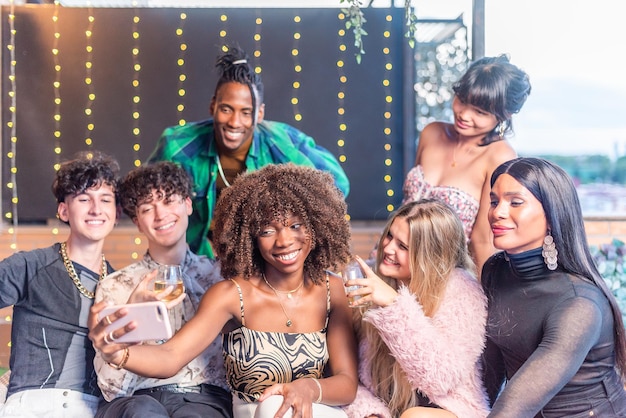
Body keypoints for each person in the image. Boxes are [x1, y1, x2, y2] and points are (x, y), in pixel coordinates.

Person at [89, 164, 358, 418]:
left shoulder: (332, 288)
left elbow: (347, 382)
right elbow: (171, 356)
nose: (284, 240)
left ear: (317, 225)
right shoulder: (231, 294)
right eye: (267, 230)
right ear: (250, 237)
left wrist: (308, 387)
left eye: (296, 225)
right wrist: (118, 353)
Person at [147, 45, 350, 259]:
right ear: (212, 106)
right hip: (193, 258)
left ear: (259, 113)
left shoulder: (282, 143)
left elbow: (337, 186)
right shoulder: (178, 145)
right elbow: (143, 195)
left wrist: (290, 222)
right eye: (226, 109)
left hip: (263, 261)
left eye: (246, 112)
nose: (235, 122)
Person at [482, 157, 626, 417]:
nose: (497, 212)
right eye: (494, 201)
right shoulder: (495, 271)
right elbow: (488, 375)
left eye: (515, 202)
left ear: (551, 215)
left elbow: (510, 411)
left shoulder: (579, 304)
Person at [91, 161, 231, 417]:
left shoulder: (222, 277)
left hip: (204, 398)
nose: (160, 214)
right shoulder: (115, 285)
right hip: (137, 400)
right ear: (137, 222)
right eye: (147, 208)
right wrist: (134, 314)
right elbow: (111, 387)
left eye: (169, 201)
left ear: (188, 204)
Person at [344, 200, 489, 418]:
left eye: (402, 246)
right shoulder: (374, 284)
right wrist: (372, 412)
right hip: (394, 411)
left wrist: (394, 305)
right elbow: (354, 378)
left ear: (429, 256)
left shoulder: (462, 292)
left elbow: (439, 378)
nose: (388, 248)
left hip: (449, 411)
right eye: (390, 236)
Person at [0, 151, 119, 417]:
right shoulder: (30, 266)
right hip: (33, 405)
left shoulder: (121, 283)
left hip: (94, 408)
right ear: (64, 210)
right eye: (84, 198)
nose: (96, 209)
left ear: (116, 211)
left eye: (105, 199)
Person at [403, 54, 531, 275]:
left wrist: (486, 300)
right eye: (462, 100)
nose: (463, 114)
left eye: (480, 112)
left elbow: (483, 240)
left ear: (504, 115)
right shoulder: (431, 133)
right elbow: (406, 205)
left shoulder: (499, 157)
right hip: (393, 257)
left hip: (440, 276)